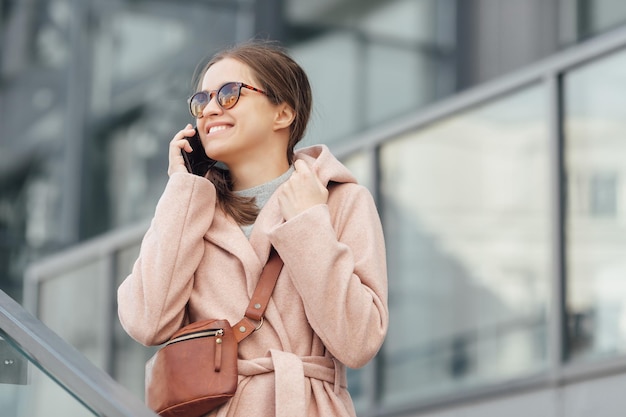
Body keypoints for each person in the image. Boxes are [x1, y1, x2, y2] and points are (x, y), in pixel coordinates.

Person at [117, 40, 388, 417]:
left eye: (229, 94)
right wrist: (183, 188)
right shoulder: (191, 211)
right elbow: (146, 321)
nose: (210, 109)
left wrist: (308, 224)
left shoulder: (341, 201)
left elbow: (358, 340)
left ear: (283, 113)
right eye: (201, 100)